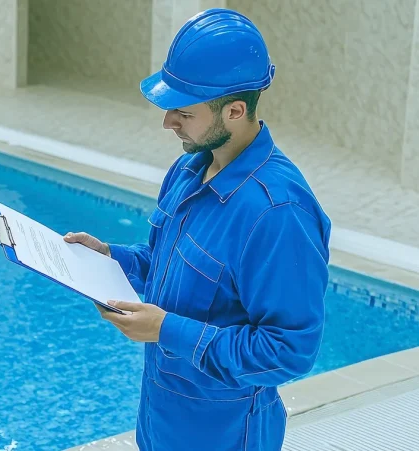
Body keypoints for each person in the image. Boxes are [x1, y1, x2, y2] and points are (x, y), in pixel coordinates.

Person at [64, 8, 332, 451]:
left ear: (235, 111)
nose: (168, 122)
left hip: (224, 436)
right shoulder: (190, 169)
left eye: (183, 113)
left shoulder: (277, 213)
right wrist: (112, 258)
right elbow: (165, 265)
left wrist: (167, 330)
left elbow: (288, 351)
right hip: (161, 421)